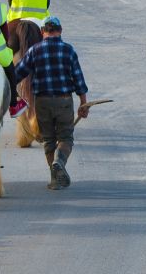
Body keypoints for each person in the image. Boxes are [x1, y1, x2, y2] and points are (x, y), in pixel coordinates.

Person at [14, 16, 90, 190]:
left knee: (48, 141)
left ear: (42, 32)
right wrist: (83, 104)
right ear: (60, 30)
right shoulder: (68, 50)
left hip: (42, 102)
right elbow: (79, 79)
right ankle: (59, 161)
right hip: (64, 101)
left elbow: (18, 74)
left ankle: (55, 180)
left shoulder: (34, 50)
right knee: (66, 138)